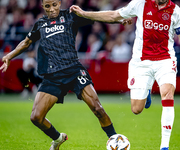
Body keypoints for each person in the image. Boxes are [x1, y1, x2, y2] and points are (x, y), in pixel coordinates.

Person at [70, 0, 180, 150]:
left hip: (165, 60)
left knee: (167, 94)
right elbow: (114, 15)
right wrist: (85, 14)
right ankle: (147, 92)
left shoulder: (176, 12)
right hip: (140, 62)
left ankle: (164, 146)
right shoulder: (140, 4)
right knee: (136, 109)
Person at [0, 0, 119, 149]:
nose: (51, 9)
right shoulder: (40, 24)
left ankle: (115, 140)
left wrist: (119, 18)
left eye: (54, 5)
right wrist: (9, 56)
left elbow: (97, 16)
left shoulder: (70, 16)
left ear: (60, 3)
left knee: (98, 108)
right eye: (47, 6)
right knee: (36, 117)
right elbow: (26, 42)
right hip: (52, 76)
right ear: (43, 6)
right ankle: (57, 138)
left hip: (74, 70)